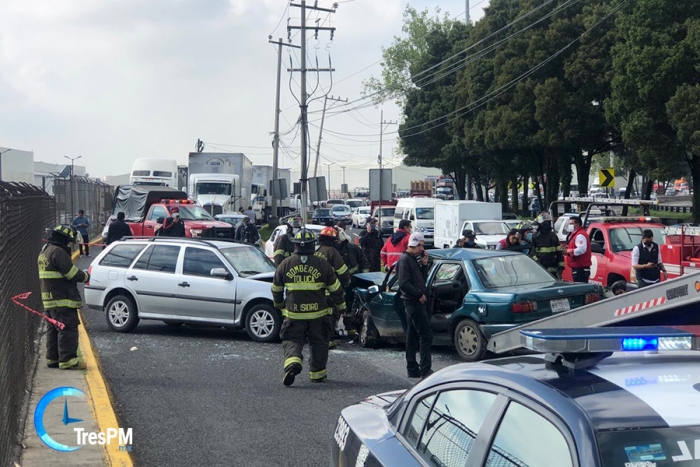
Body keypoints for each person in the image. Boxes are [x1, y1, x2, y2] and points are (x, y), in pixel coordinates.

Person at [272, 229, 346, 386]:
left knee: (292, 339)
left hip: (294, 314)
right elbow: (336, 289)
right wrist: (341, 307)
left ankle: (293, 363)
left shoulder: (286, 264)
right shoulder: (322, 264)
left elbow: (276, 288)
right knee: (319, 342)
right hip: (318, 315)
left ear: (295, 245)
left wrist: (279, 304)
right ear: (313, 245)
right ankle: (317, 374)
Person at [38, 225, 90, 370]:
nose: (68, 244)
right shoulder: (58, 252)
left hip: (49, 300)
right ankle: (68, 361)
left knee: (53, 330)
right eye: (68, 241)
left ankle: (53, 359)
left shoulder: (45, 251)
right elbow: (71, 273)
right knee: (67, 329)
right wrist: (86, 276)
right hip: (62, 299)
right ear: (63, 239)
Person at [397, 233, 432, 379]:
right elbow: (404, 283)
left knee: (412, 336)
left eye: (423, 246)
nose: (422, 248)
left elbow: (420, 280)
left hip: (415, 302)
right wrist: (419, 295)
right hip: (413, 303)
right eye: (419, 245)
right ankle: (425, 370)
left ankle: (412, 368)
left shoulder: (413, 259)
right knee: (426, 336)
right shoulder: (405, 259)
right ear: (411, 245)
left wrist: (424, 265)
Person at [316, 226, 351, 348]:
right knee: (331, 313)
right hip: (330, 290)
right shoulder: (332, 252)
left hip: (315, 291)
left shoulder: (316, 251)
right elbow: (342, 271)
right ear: (331, 240)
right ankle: (329, 340)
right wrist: (346, 283)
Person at [532, 213, 565, 278]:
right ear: (540, 224)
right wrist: (537, 262)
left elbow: (559, 252)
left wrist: (560, 266)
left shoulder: (553, 236)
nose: (547, 224)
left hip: (552, 266)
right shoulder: (535, 236)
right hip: (540, 267)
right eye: (545, 222)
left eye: (548, 222)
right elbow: (532, 251)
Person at [564, 216, 591, 283]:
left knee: (581, 287)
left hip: (580, 269)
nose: (569, 225)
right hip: (578, 267)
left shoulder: (580, 235)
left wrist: (568, 252)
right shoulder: (575, 235)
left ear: (577, 224)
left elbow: (582, 249)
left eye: (571, 224)